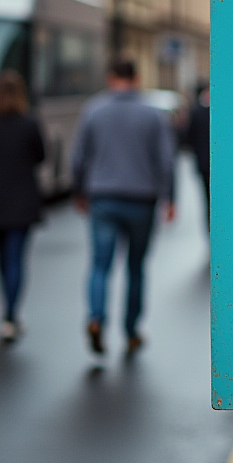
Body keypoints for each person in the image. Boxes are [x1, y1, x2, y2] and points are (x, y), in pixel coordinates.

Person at [71, 58, 176, 356]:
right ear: (137, 77)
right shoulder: (153, 114)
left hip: (102, 198)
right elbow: (165, 161)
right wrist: (170, 198)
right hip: (141, 200)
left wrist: (79, 191)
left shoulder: (93, 110)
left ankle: (95, 317)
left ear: (110, 76)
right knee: (135, 268)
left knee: (100, 265)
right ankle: (131, 331)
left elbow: (78, 157)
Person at [0, 71, 46, 343]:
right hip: (22, 201)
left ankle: (7, 309)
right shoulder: (29, 123)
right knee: (16, 258)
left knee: (1, 259)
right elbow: (40, 157)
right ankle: (10, 314)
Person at [183, 80, 209, 227]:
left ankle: (210, 234)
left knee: (207, 201)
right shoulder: (220, 111)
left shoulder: (196, 111)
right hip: (210, 166)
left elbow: (188, 138)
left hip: (203, 164)